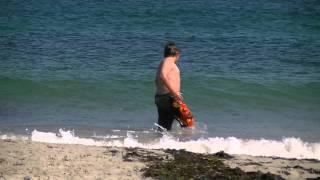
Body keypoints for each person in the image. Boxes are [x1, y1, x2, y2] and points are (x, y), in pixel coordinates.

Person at [155, 41, 184, 130]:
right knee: (188, 122)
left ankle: (162, 142)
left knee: (164, 127)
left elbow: (156, 81)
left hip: (161, 97)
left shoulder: (163, 62)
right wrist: (174, 93)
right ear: (177, 53)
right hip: (170, 98)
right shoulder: (169, 60)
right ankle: (189, 143)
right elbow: (162, 75)